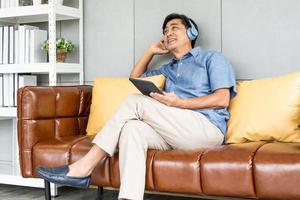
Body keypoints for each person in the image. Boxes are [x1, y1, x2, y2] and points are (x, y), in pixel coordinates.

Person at [37, 13, 237, 200]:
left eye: (174, 28)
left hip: (206, 128)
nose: (168, 33)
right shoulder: (169, 69)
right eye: (165, 31)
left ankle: (83, 168)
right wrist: (150, 51)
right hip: (177, 131)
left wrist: (180, 103)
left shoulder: (212, 58)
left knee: (134, 101)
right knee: (132, 129)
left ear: (191, 33)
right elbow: (134, 78)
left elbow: (221, 99)